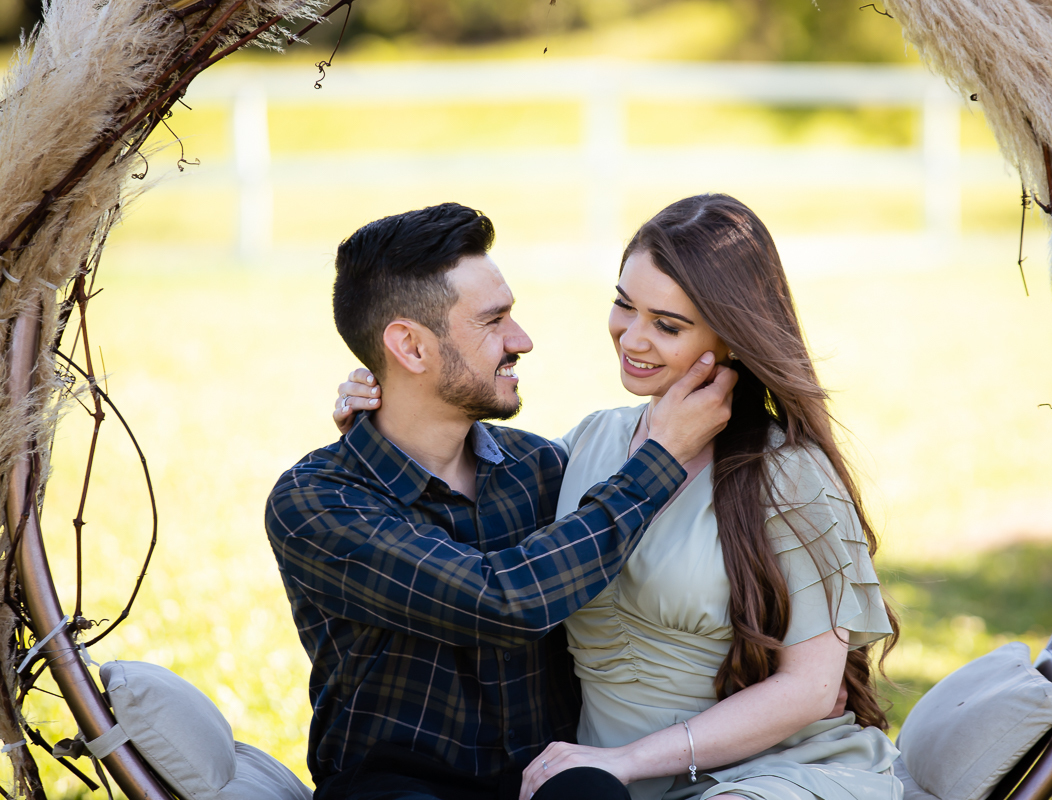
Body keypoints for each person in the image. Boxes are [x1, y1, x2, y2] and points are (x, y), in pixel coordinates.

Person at [336, 194, 902, 800]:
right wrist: (389, 411)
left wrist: (629, 760)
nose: (632, 337)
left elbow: (812, 689)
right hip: (602, 786)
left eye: (667, 324)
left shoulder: (789, 472)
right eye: (623, 305)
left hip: (766, 771)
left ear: (731, 337)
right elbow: (464, 512)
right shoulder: (586, 446)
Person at [266, 202, 738, 800]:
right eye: (494, 321)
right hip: (398, 786)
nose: (523, 340)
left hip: (549, 782)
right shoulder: (316, 503)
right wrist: (660, 460)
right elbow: (503, 601)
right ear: (410, 348)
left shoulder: (540, 469)